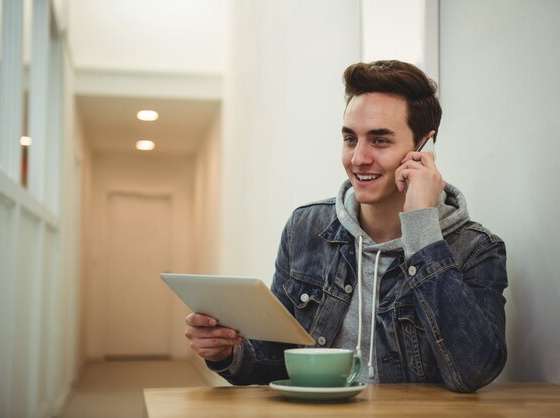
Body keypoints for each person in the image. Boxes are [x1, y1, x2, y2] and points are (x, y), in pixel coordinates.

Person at [185, 60, 508, 393]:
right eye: (351, 139)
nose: (358, 159)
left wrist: (421, 230)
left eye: (380, 141)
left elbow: (473, 372)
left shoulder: (475, 249)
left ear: (425, 147)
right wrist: (229, 352)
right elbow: (280, 357)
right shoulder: (305, 228)